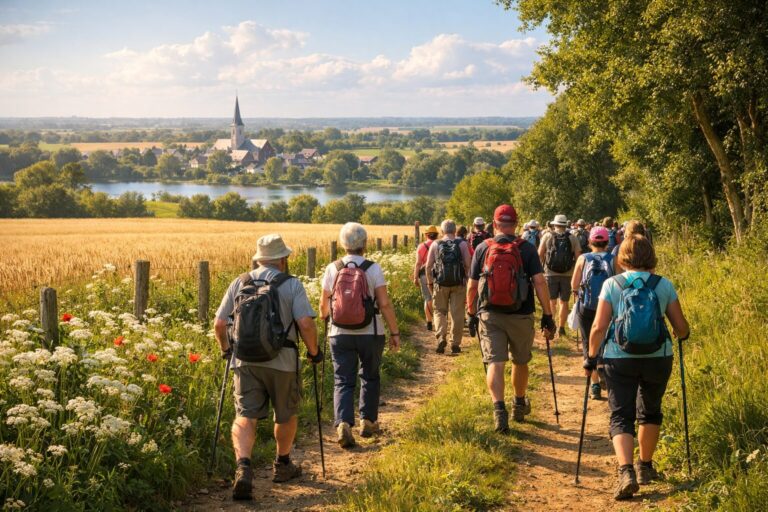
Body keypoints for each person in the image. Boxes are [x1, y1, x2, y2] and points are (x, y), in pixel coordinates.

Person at [214, 234, 321, 500]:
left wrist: (227, 351)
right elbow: (306, 324)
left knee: (245, 414)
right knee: (285, 413)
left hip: (245, 360)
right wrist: (314, 353)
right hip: (282, 361)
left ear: (258, 258)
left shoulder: (239, 283)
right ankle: (282, 464)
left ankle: (243, 468)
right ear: (282, 259)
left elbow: (218, 324)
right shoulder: (291, 284)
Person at [584, 235, 689, 500]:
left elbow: (598, 327)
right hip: (658, 356)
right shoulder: (663, 285)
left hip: (619, 358)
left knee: (621, 415)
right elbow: (682, 328)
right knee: (651, 411)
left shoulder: (612, 284)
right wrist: (682, 335)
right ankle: (645, 466)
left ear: (623, 257)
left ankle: (626, 471)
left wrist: (591, 357)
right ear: (651, 256)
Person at [467, 204, 556, 431]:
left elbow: (472, 286)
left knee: (495, 362)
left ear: (494, 224)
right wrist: (547, 314)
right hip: (521, 314)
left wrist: (470, 313)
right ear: (516, 224)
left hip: (490, 314)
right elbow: (539, 282)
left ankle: (499, 411)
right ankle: (518, 402)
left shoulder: (483, 248)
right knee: (520, 360)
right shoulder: (526, 249)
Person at [319, 222, 400, 448]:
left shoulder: (332, 268)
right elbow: (384, 303)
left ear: (343, 244)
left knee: (342, 380)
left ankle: (343, 423)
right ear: (365, 244)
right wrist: (394, 331)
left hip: (339, 334)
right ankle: (368, 420)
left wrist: (328, 320)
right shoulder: (373, 268)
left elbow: (323, 308)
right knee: (370, 375)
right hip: (371, 332)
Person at [570, 226, 614, 399]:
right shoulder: (613, 259)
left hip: (586, 307)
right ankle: (605, 371)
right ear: (607, 242)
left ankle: (594, 384)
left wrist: (578, 292)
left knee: (588, 342)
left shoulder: (583, 258)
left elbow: (574, 284)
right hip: (608, 307)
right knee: (607, 340)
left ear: (590, 242)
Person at [426, 219, 472, 354]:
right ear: (454, 230)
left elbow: (428, 266)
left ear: (442, 231)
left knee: (439, 311)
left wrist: (430, 282)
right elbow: (468, 264)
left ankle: (441, 337)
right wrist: (467, 281)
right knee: (457, 313)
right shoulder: (462, 244)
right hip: (458, 283)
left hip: (440, 283)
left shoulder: (435, 244)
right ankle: (455, 343)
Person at [538, 214, 582, 338]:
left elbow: (540, 253)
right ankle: (561, 328)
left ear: (554, 224)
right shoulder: (573, 238)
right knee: (564, 302)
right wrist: (577, 273)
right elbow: (579, 257)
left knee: (552, 301)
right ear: (565, 225)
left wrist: (540, 270)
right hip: (567, 274)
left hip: (550, 273)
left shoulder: (547, 236)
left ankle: (552, 326)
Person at [413, 225, 439, 331]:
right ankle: (439, 321)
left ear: (426, 235)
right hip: (438, 273)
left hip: (424, 274)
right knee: (439, 298)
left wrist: (415, 277)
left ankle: (429, 322)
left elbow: (418, 263)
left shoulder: (421, 246)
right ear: (436, 235)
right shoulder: (439, 244)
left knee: (428, 298)